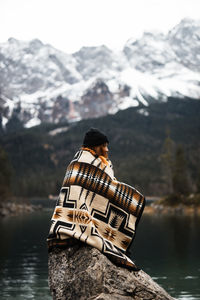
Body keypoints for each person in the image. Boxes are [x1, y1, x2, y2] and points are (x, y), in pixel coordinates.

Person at [47, 128, 145, 270]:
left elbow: (106, 188)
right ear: (93, 147)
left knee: (131, 201)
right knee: (132, 201)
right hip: (74, 217)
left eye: (107, 145)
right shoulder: (82, 162)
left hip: (87, 211)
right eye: (103, 146)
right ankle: (110, 242)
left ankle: (117, 243)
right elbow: (76, 192)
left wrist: (126, 193)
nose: (107, 150)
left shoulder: (101, 163)